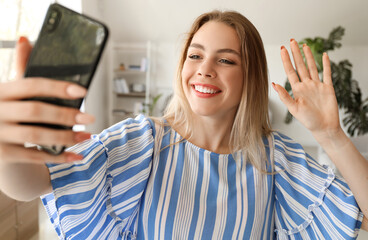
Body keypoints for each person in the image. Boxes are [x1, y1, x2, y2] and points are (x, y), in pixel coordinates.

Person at [0, 10, 367, 239]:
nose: (205, 69)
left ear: (249, 78)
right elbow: (28, 185)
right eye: (195, 55)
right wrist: (6, 138)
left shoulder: (277, 161)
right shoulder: (142, 141)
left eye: (226, 60)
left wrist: (332, 136)